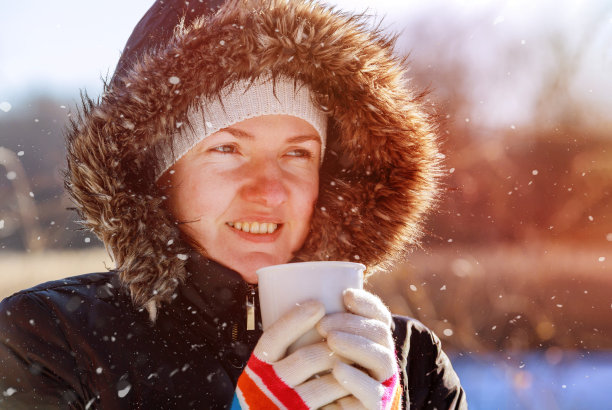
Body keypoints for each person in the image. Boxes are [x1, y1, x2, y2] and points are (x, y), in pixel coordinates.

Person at [0, 0, 467, 408]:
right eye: (227, 149)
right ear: (158, 178)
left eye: (297, 154)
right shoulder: (50, 340)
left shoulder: (410, 362)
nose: (269, 190)